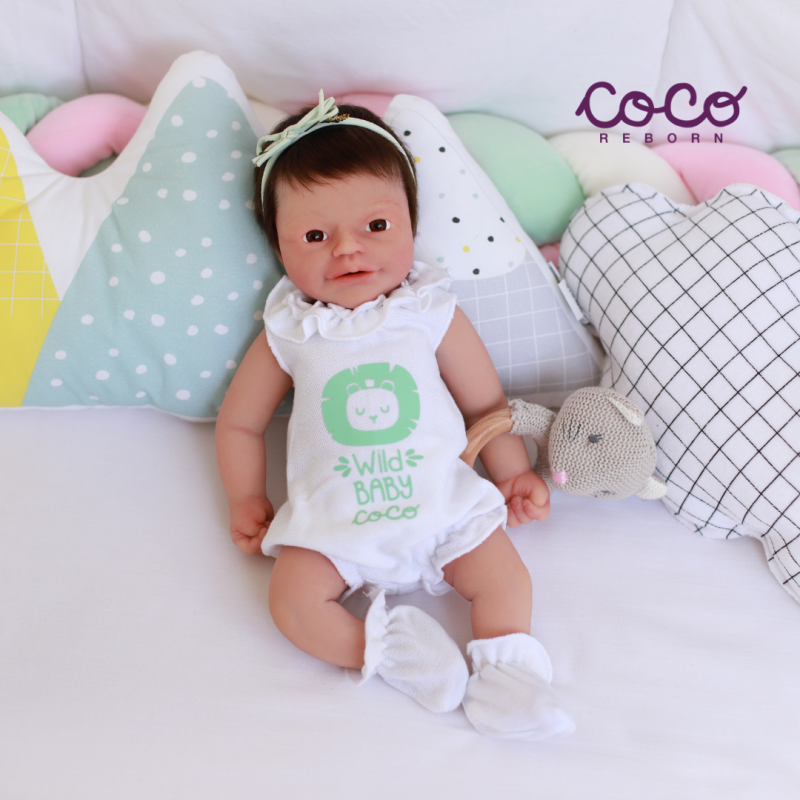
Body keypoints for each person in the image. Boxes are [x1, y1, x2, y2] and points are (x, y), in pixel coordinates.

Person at [215, 92, 574, 740]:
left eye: (376, 225)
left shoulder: (429, 311)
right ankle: (394, 653)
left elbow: (485, 405)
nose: (348, 250)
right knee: (291, 604)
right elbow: (239, 424)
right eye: (316, 236)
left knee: (504, 579)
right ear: (278, 246)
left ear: (412, 222)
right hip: (334, 523)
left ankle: (508, 678)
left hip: (442, 505)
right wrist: (246, 497)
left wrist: (513, 473)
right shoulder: (289, 330)